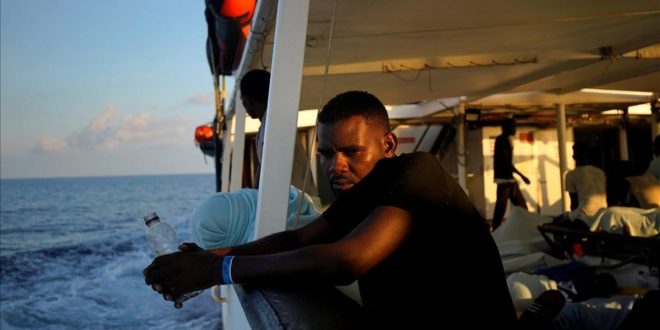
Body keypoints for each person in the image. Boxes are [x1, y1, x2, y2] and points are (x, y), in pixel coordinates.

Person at [144, 91, 517, 328]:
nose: (335, 165)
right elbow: (300, 237)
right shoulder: (363, 193)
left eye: (351, 151)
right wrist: (209, 257)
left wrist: (219, 269)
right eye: (326, 153)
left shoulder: (419, 171)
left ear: (387, 144)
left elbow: (346, 261)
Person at [239, 69, 317, 196]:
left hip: (298, 205)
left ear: (248, 99)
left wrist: (254, 199)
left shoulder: (274, 124)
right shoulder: (268, 124)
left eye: (242, 99)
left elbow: (266, 169)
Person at [492, 117, 530, 230]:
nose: (515, 129)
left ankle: (526, 225)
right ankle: (495, 229)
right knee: (502, 207)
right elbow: (506, 162)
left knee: (520, 205)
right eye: (513, 127)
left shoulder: (507, 139)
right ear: (506, 128)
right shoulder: (501, 140)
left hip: (508, 178)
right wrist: (522, 176)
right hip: (504, 179)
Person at [564, 142, 607, 223]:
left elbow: (574, 203)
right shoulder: (600, 172)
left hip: (584, 216)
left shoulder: (571, 175)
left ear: (574, 157)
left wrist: (572, 219)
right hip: (603, 214)